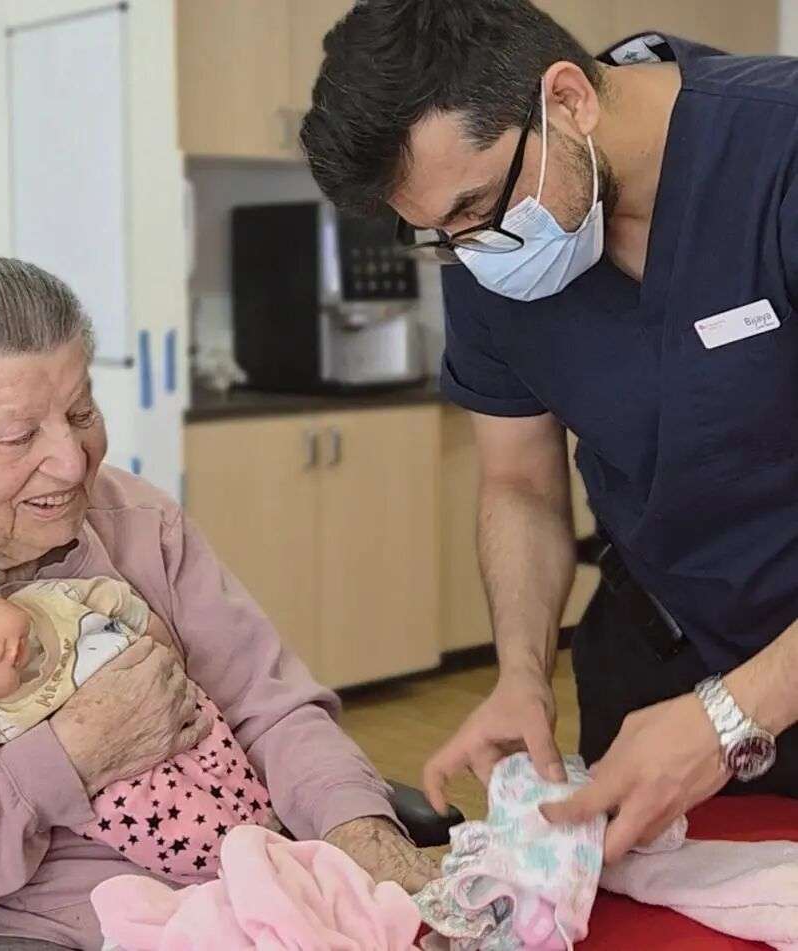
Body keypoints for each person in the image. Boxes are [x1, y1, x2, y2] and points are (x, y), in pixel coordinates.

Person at [300, 0, 798, 863]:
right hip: (660, 661)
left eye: (475, 208)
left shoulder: (777, 153)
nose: (474, 252)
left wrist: (731, 713)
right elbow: (519, 483)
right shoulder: (483, 250)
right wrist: (522, 673)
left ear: (566, 100)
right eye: (439, 234)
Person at [0, 251, 436, 948]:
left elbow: (268, 704)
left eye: (81, 411)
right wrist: (64, 756)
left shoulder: (135, 518)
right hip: (46, 926)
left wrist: (360, 836)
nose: (72, 462)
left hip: (251, 880)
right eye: (18, 436)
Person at [0, 570, 277, 912]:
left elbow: (119, 601)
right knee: (201, 847)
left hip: (183, 717)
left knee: (247, 789)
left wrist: (161, 648)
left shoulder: (53, 600)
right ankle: (241, 883)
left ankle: (272, 844)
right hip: (128, 796)